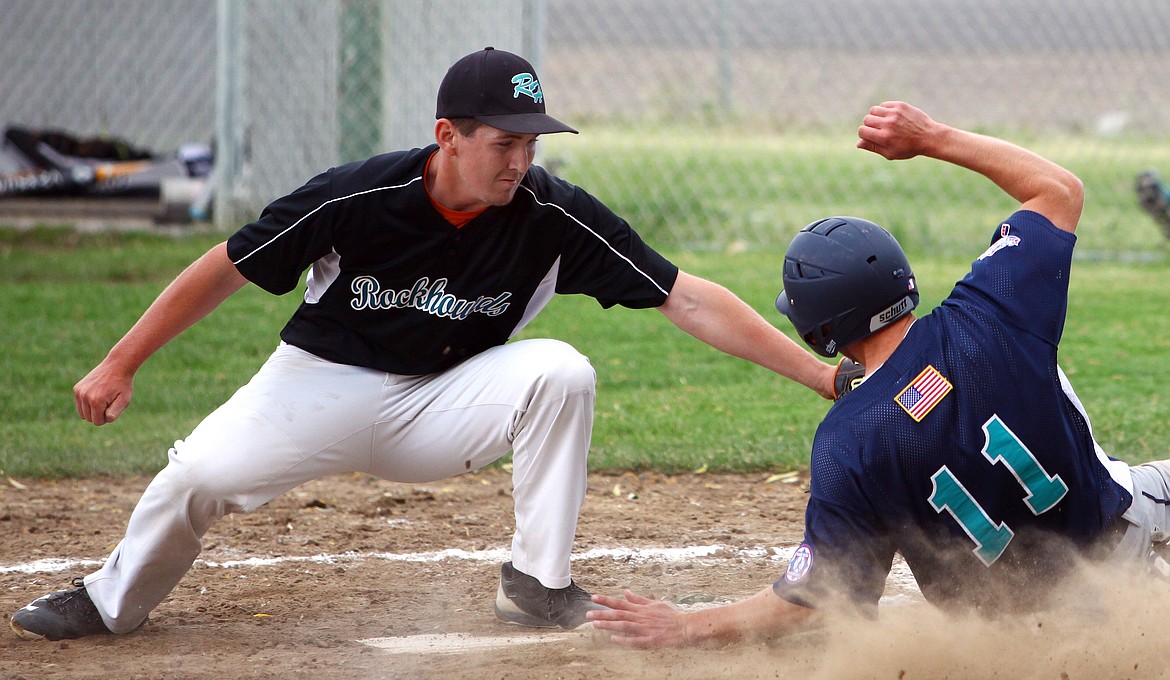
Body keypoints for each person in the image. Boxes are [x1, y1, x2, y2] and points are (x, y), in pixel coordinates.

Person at [10, 47, 857, 642]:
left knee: (561, 370)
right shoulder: (358, 194)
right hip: (318, 385)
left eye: (531, 142)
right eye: (503, 141)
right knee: (198, 476)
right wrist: (122, 359)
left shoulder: (551, 215)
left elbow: (687, 299)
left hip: (443, 402)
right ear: (448, 134)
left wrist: (821, 376)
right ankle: (110, 599)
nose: (520, 161)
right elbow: (227, 267)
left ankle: (536, 585)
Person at [587, 100, 1170, 648]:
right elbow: (1059, 189)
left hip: (1019, 636)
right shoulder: (991, 311)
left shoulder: (849, 442)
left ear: (821, 333)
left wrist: (687, 625)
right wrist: (930, 138)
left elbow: (810, 600)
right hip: (1121, 542)